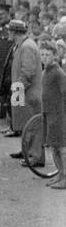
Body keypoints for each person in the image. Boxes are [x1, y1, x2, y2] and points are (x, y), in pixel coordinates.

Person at [6, 18, 42, 145]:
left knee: (32, 124)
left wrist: (18, 91)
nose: (8, 33)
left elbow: (27, 72)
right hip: (24, 91)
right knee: (24, 121)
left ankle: (35, 156)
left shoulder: (27, 47)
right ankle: (26, 151)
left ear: (15, 32)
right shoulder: (21, 45)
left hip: (28, 93)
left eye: (10, 31)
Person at [39, 41, 66, 188]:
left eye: (48, 55)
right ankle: (60, 174)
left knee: (61, 147)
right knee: (54, 146)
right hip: (49, 114)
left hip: (59, 115)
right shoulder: (45, 72)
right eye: (42, 54)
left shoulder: (58, 73)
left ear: (54, 56)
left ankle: (65, 176)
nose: (44, 58)